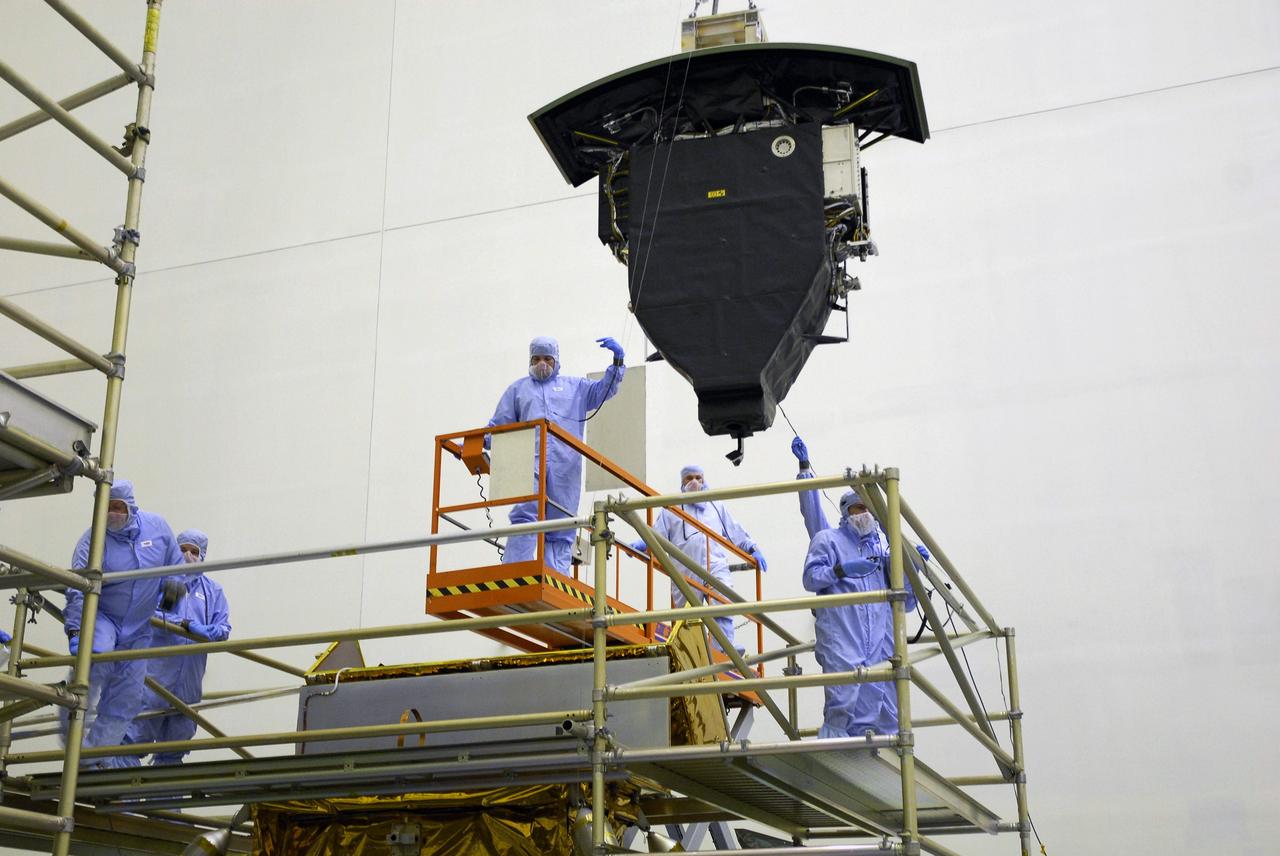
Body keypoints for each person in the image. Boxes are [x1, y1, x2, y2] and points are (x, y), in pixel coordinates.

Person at [63, 479, 184, 768]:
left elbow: (177, 565)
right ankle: (71, 750)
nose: (113, 514)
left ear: (131, 506)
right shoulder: (93, 539)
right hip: (103, 618)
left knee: (127, 696)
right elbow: (77, 585)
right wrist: (77, 629)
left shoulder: (157, 528)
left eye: (118, 507)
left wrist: (173, 589)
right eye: (107, 508)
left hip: (139, 626)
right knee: (87, 680)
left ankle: (93, 759)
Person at [488, 335, 626, 571]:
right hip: (528, 463)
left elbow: (604, 390)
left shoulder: (576, 388)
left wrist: (617, 362)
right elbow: (499, 426)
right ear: (530, 360)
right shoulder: (518, 390)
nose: (542, 363)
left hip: (565, 467)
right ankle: (514, 570)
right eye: (537, 358)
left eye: (547, 358)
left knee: (562, 525)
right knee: (524, 516)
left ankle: (555, 578)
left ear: (556, 361)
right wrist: (477, 442)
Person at [802, 490, 918, 737]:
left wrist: (912, 565)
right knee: (841, 700)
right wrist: (841, 570)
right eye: (858, 508)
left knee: (879, 700)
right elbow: (811, 578)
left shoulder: (883, 548)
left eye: (869, 509)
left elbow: (906, 603)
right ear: (846, 512)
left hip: (877, 639)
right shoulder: (829, 540)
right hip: (842, 634)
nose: (864, 514)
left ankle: (885, 758)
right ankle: (836, 754)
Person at [122, 528, 230, 766]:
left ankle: (162, 803)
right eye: (183, 550)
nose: (188, 555)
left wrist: (213, 632)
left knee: (175, 747)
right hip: (156, 678)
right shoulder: (161, 582)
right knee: (132, 739)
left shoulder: (213, 591)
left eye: (194, 551)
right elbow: (150, 615)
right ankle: (123, 801)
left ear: (202, 555)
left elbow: (224, 628)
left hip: (189, 682)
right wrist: (186, 625)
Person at [634, 465, 766, 649]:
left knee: (723, 606)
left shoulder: (715, 506)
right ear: (682, 483)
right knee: (687, 619)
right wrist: (644, 543)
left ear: (704, 480)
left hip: (715, 566)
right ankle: (690, 655)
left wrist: (752, 549)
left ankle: (724, 650)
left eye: (698, 477)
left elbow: (734, 530)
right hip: (686, 570)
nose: (695, 482)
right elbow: (657, 534)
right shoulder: (671, 508)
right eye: (689, 478)